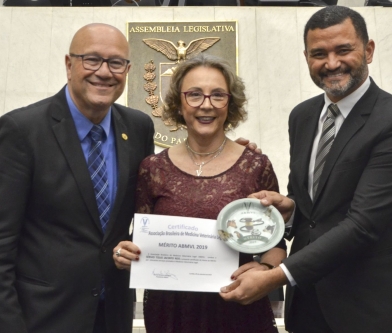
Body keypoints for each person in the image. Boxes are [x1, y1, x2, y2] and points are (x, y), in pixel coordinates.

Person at [220, 6, 392, 333]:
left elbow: (363, 225)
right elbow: (313, 207)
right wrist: (288, 209)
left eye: (343, 50)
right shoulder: (302, 116)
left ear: (369, 50)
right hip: (307, 307)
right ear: (306, 58)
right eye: (319, 54)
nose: (331, 63)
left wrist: (277, 276)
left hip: (366, 309)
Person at [113, 53, 286, 333]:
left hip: (238, 309)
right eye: (194, 94)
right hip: (170, 313)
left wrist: (266, 270)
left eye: (218, 95)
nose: (206, 105)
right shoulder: (152, 168)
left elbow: (276, 242)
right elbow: (138, 240)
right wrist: (125, 253)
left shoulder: (256, 165)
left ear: (230, 104)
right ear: (179, 104)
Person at [0, 23, 155, 333]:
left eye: (115, 62)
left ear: (127, 69)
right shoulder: (21, 130)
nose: (104, 72)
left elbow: (151, 205)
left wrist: (223, 153)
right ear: (69, 65)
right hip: (41, 317)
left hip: (113, 315)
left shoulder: (138, 128)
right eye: (92, 59)